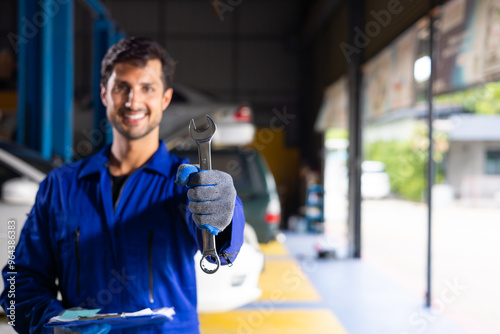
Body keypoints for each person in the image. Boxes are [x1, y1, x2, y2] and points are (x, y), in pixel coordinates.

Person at [0, 37, 245, 334]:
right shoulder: (60, 186)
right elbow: (19, 283)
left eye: (147, 88)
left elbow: (222, 244)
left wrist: (226, 214)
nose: (133, 101)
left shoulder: (184, 184)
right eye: (121, 87)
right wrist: (52, 324)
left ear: (165, 99)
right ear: (104, 94)